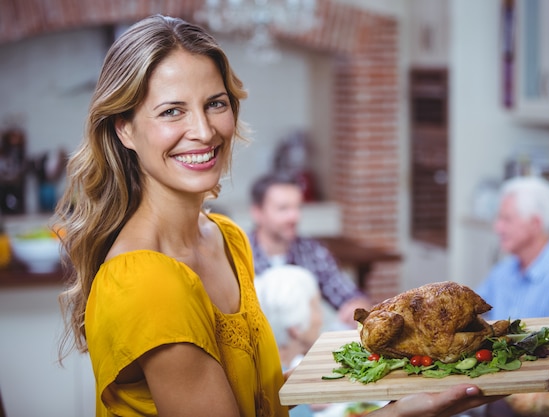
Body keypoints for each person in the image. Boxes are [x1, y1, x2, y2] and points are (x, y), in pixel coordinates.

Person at [54, 14, 501, 417]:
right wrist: (408, 413)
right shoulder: (144, 280)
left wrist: (400, 389)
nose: (205, 131)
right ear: (125, 128)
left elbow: (257, 400)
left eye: (216, 103)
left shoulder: (226, 238)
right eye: (172, 111)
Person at [476, 175, 549, 368]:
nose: (497, 227)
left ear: (535, 223)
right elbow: (473, 317)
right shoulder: (503, 270)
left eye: (507, 219)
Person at [248, 172, 370, 328]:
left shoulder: (311, 250)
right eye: (283, 208)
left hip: (305, 347)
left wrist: (357, 304)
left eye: (297, 207)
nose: (294, 216)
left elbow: (347, 295)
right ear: (257, 212)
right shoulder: (237, 252)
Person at [254, 265, 324, 417]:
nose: (320, 319)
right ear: (295, 328)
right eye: (316, 308)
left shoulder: (264, 371)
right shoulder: (282, 388)